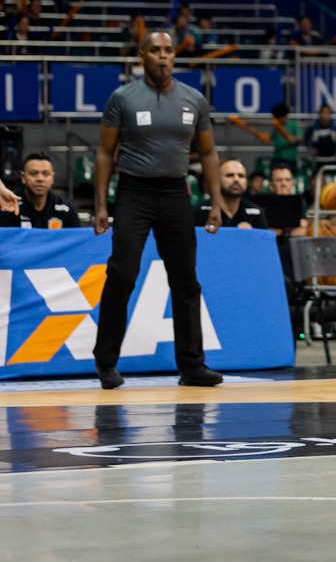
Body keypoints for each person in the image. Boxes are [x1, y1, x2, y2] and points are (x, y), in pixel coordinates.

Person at [91, 30, 224, 389]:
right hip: (134, 191)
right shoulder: (123, 98)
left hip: (176, 193)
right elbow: (104, 152)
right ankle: (105, 363)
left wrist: (215, 201)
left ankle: (192, 366)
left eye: (168, 50)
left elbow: (209, 153)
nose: (163, 56)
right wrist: (101, 204)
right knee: (121, 275)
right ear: (142, 56)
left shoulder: (194, 99)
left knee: (185, 280)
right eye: (155, 50)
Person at [0, 152, 80, 229]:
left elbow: (77, 240)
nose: (40, 179)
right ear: (23, 177)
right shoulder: (9, 205)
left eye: (46, 174)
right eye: (33, 173)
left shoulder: (65, 209)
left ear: (52, 178)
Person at [196, 158, 265, 229]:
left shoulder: (256, 213)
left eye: (241, 176)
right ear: (217, 180)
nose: (236, 179)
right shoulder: (199, 212)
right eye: (230, 175)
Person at [304, 104, 336, 175]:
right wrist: (310, 148)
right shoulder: (313, 128)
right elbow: (306, 138)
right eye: (323, 113)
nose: (325, 115)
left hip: (333, 160)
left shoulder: (335, 128)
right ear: (319, 114)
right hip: (318, 160)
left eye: (328, 113)